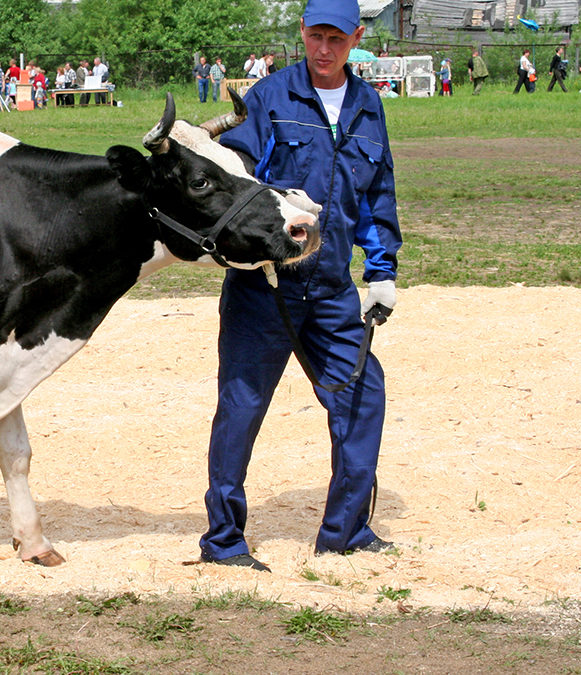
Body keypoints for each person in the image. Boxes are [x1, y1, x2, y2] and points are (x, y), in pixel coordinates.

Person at [205, 0, 402, 571]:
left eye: (336, 39)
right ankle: (224, 541)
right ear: (302, 33)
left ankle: (345, 532)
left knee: (363, 398)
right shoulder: (270, 98)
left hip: (333, 290)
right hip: (265, 288)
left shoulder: (368, 105)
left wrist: (382, 270)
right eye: (315, 36)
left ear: (356, 38)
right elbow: (232, 182)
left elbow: (376, 193)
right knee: (240, 408)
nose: (324, 49)